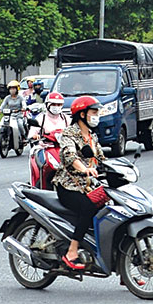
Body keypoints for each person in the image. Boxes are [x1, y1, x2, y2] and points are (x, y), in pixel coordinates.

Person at [53, 95, 107, 271]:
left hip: (89, 185)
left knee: (111, 209)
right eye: (93, 112)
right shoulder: (69, 133)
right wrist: (84, 169)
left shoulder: (92, 136)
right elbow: (69, 155)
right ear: (82, 114)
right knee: (89, 208)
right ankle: (72, 252)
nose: (96, 115)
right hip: (69, 186)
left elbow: (101, 158)